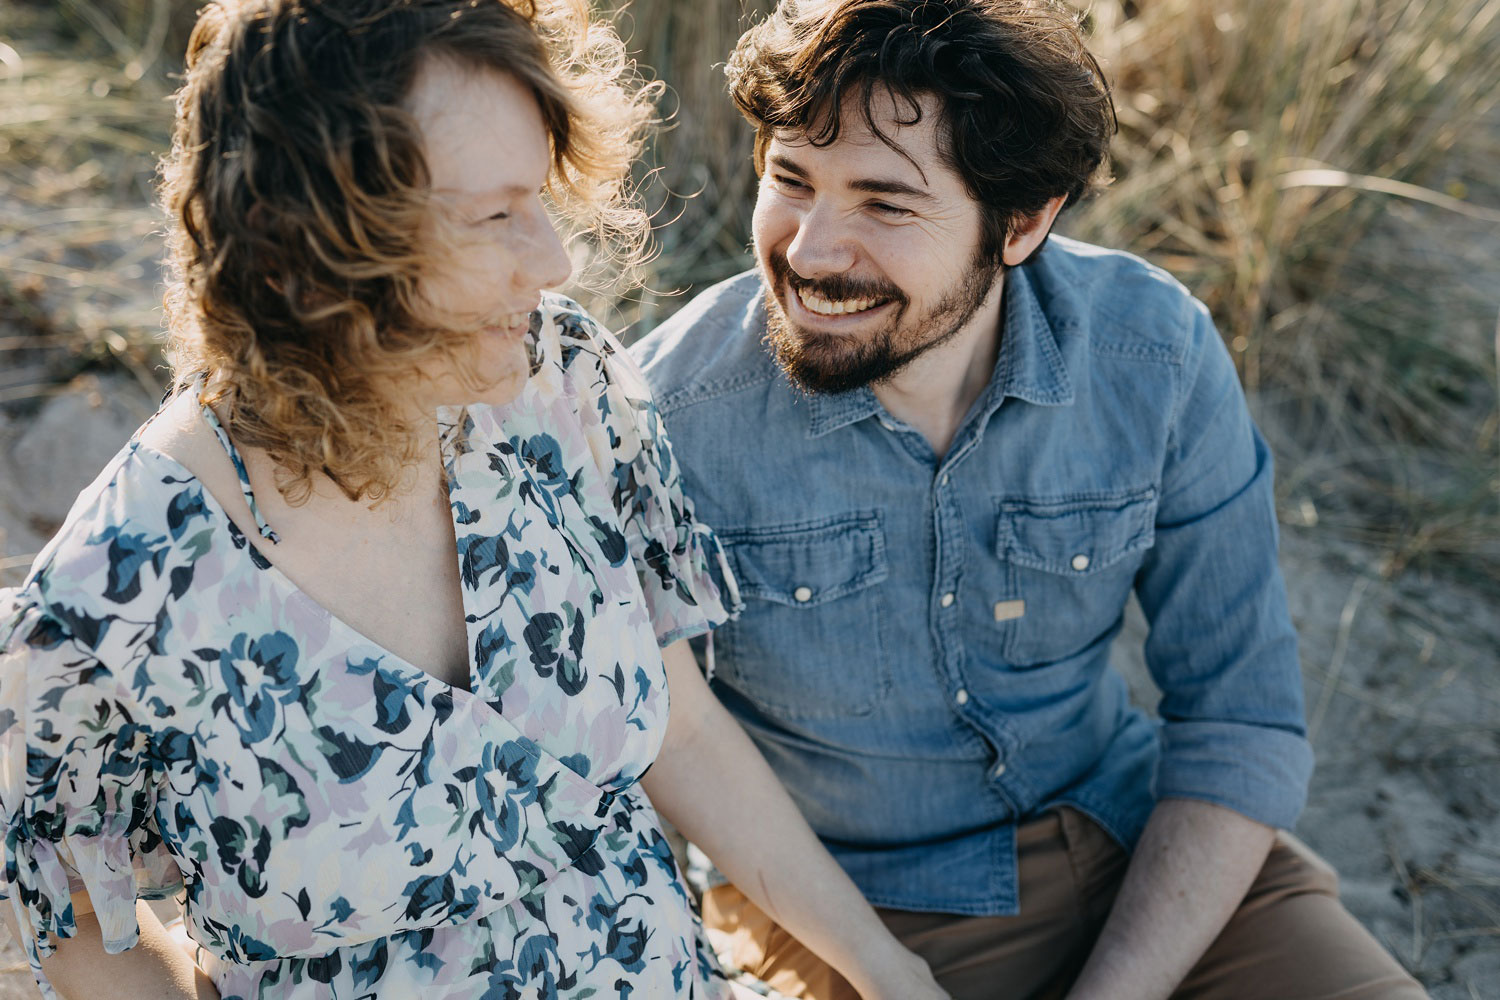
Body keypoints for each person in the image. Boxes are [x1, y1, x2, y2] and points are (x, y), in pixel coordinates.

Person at [0, 2, 952, 999]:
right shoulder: (111, 595)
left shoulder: (560, 378)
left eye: (540, 200)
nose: (553, 261)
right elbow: (76, 922)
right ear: (315, 246)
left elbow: (683, 729)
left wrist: (890, 971)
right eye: (495, 215)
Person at [629, 1, 1429, 998]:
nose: (813, 250)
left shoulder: (1154, 356)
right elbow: (659, 750)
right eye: (792, 181)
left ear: (1022, 222)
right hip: (853, 912)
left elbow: (1240, 722)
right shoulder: (663, 415)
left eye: (885, 203)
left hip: (1146, 855)